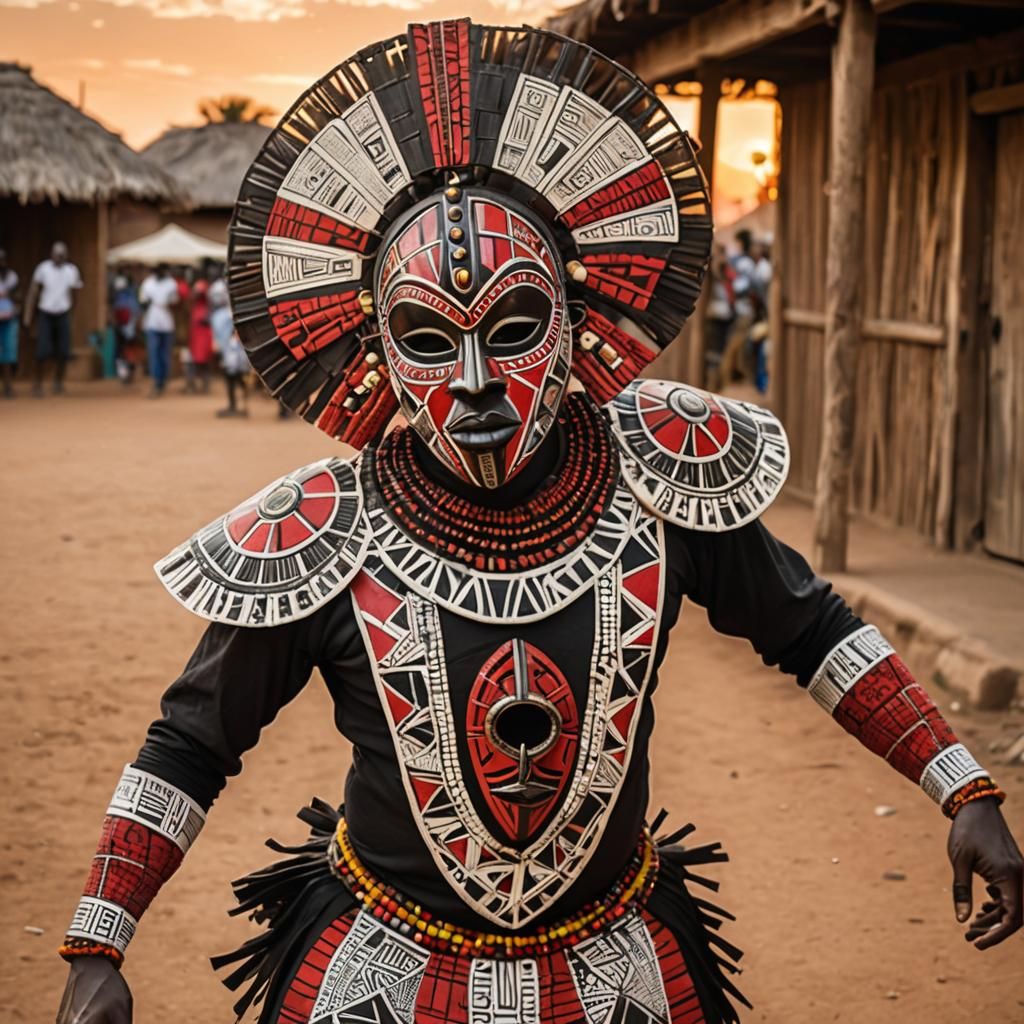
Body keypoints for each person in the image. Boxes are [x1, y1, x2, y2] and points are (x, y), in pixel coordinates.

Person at [55, 19, 1022, 1024]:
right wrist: (97, 942)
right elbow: (191, 743)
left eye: (511, 327)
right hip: (381, 978)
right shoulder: (325, 530)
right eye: (430, 340)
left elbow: (812, 627)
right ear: (379, 357)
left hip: (618, 972)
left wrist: (964, 790)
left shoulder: (658, 481)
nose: (474, 384)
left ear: (574, 318)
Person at [23, 241, 82, 396]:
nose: (59, 258)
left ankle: (58, 383)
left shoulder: (71, 270)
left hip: (63, 312)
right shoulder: (43, 269)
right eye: (57, 255)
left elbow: (75, 294)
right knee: (42, 351)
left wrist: (72, 313)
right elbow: (34, 292)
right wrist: (28, 315)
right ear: (52, 254)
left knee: (64, 350)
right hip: (46, 313)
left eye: (62, 255)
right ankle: (37, 384)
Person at [138, 262, 178, 397]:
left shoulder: (171, 283)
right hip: (152, 321)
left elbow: (175, 302)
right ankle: (156, 381)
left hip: (166, 322)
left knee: (164, 353)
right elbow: (142, 301)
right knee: (154, 352)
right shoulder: (148, 283)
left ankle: (163, 380)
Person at [210, 284, 248, 417]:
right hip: (227, 351)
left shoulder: (230, 313)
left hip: (236, 351)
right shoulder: (219, 314)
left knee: (238, 377)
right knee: (230, 377)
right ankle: (234, 405)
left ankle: (243, 405)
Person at [110, 272, 140, 385]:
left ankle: (129, 374)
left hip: (130, 328)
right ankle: (124, 374)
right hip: (120, 328)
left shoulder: (131, 297)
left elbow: (136, 313)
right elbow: (114, 313)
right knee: (120, 352)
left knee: (129, 351)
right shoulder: (118, 298)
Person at [186, 275, 214, 394]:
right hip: (196, 331)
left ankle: (205, 385)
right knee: (193, 359)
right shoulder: (196, 304)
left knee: (204, 359)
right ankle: (192, 385)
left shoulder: (204, 286)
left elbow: (201, 294)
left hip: (203, 332)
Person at [0, 248, 19, 398]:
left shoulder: (12, 277)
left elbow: (18, 296)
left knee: (8, 354)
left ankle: (8, 386)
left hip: (9, 318)